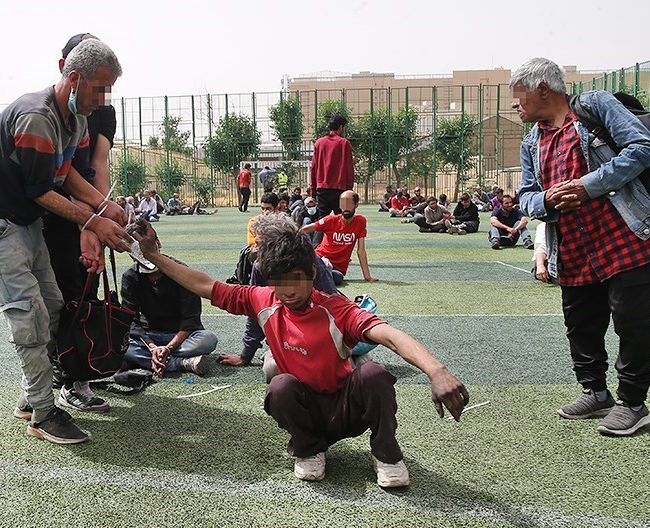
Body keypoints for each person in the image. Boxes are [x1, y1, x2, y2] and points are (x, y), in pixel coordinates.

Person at [131, 217, 470, 488]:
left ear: (312, 273)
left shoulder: (336, 308)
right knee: (279, 385)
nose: (288, 290)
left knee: (374, 373)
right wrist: (152, 255)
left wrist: (436, 370)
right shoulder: (262, 300)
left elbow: (391, 337)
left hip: (346, 407)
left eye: (296, 278)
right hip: (306, 410)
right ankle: (308, 448)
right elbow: (205, 285)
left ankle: (387, 455)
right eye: (279, 279)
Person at [0, 37, 132, 444]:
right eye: (98, 88)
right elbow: (42, 190)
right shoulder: (36, 117)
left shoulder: (74, 120)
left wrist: (103, 205)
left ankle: (30, 398)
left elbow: (66, 173)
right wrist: (95, 220)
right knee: (29, 316)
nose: (103, 98)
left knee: (54, 307)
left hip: (24, 223)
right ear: (73, 78)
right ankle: (43, 412)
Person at [513, 57, 650, 436]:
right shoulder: (531, 141)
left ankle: (633, 403)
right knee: (580, 324)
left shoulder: (595, 106)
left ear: (542, 89)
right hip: (574, 248)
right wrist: (548, 200)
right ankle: (595, 392)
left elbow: (642, 147)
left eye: (518, 95)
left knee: (632, 323)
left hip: (624, 235)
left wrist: (587, 186)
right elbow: (527, 198)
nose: (515, 105)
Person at [44, 33, 121, 413]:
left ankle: (78, 378)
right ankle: (51, 379)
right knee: (56, 296)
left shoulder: (101, 110)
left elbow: (98, 164)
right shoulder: (50, 110)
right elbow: (56, 176)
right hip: (54, 212)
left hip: (85, 206)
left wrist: (97, 218)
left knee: (84, 293)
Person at [217, 213, 339, 379]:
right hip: (286, 340)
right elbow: (256, 312)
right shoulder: (260, 266)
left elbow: (333, 306)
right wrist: (245, 355)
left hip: (320, 335)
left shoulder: (310, 262)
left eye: (260, 244)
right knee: (273, 369)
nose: (255, 249)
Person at [121, 224, 218, 377]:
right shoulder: (130, 277)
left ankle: (145, 360)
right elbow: (130, 320)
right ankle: (181, 363)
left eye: (145, 248)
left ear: (158, 244)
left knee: (208, 340)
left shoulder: (181, 271)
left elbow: (190, 319)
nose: (142, 254)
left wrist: (168, 348)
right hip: (147, 337)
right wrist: (153, 347)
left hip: (179, 336)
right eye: (135, 251)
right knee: (117, 344)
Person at [301, 190, 377, 285]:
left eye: (349, 204)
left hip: (336, 269)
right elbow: (306, 229)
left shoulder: (360, 221)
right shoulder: (330, 220)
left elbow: (361, 250)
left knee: (338, 278)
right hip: (320, 259)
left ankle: (312, 276)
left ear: (356, 205)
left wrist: (367, 276)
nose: (345, 208)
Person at [310, 114, 354, 228]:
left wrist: (313, 191)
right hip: (339, 189)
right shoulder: (344, 143)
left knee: (321, 223)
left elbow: (313, 168)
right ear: (340, 127)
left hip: (322, 188)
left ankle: (316, 245)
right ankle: (342, 245)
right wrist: (349, 191)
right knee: (343, 221)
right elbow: (349, 169)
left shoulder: (319, 143)